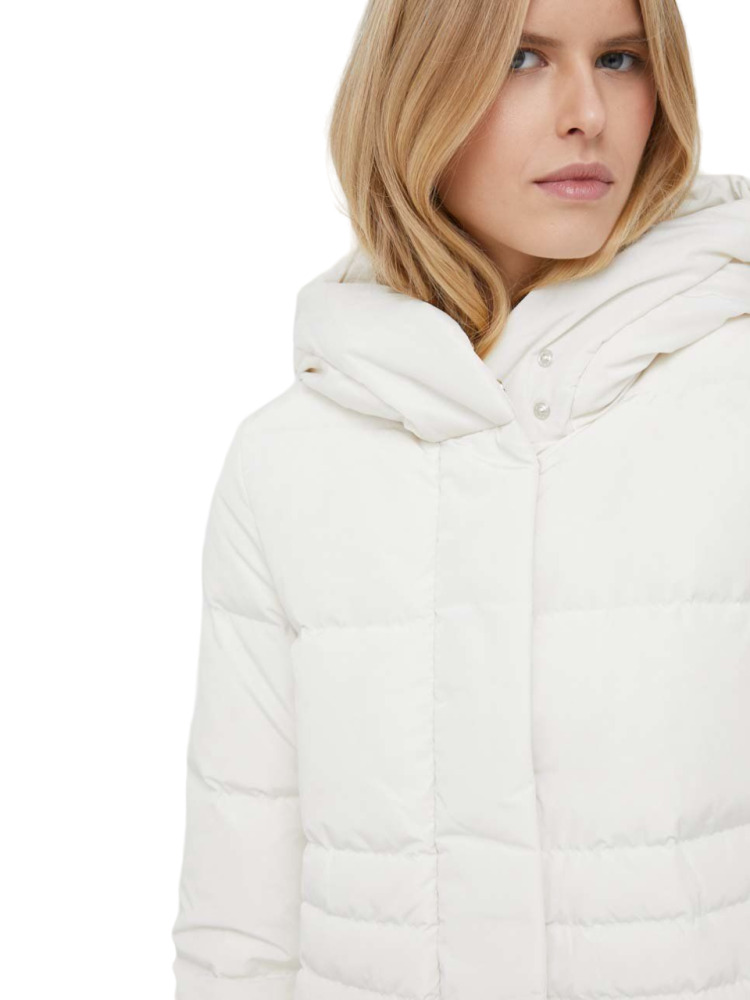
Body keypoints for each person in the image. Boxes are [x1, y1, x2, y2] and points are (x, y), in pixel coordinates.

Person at [171, 0, 750, 996]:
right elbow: (240, 924)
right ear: (416, 87)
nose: (587, 112)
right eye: (524, 58)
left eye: (621, 59)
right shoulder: (288, 460)